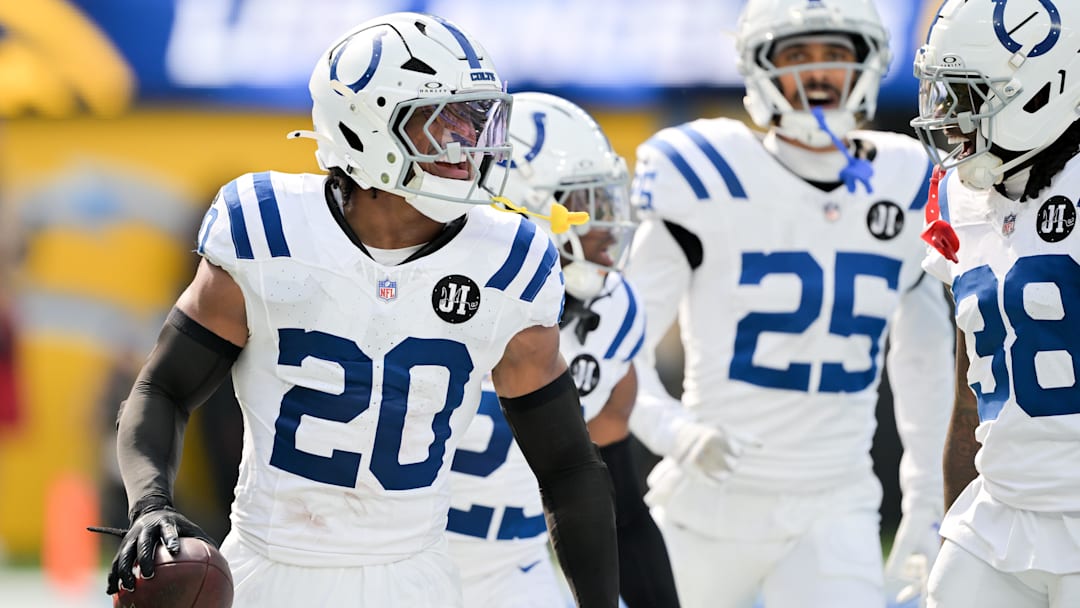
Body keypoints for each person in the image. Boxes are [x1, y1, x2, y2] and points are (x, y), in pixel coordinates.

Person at [91, 13, 618, 608]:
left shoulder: (510, 259)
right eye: (440, 122)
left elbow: (569, 465)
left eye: (474, 121)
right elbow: (162, 388)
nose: (468, 145)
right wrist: (151, 504)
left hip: (413, 578)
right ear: (364, 126)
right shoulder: (267, 229)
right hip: (270, 570)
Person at [625, 1, 955, 607]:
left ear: (869, 63)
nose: (818, 73)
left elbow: (927, 359)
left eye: (835, 53)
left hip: (837, 502)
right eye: (797, 55)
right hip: (709, 500)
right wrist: (674, 433)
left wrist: (927, 498)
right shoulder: (705, 172)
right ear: (757, 69)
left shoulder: (906, 175)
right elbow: (619, 348)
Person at [446, 92, 680, 607]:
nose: (605, 229)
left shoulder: (612, 314)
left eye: (606, 202)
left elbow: (618, 510)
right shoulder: (435, 294)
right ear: (515, 209)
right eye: (582, 206)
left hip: (518, 570)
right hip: (403, 564)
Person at [911, 1, 1080, 607]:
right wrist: (956, 505)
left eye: (968, 96)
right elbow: (970, 396)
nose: (949, 118)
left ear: (1044, 90)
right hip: (999, 510)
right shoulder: (961, 196)